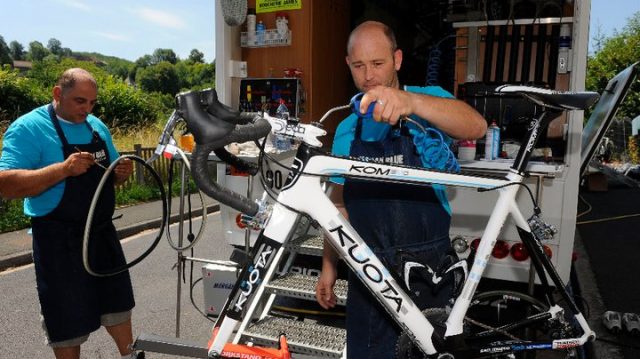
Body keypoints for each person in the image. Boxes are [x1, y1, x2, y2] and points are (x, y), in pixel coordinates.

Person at [314, 21, 487, 358]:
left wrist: (410, 102)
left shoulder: (426, 101)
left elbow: (476, 126)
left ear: (397, 59)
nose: (368, 76)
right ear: (348, 64)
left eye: (377, 64)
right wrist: (329, 268)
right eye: (359, 66)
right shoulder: (348, 128)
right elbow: (338, 206)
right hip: (368, 274)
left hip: (427, 273)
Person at [0, 68, 141, 359]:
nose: (86, 109)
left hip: (101, 235)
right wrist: (63, 169)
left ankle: (131, 356)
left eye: (92, 103)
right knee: (65, 318)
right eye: (79, 101)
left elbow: (110, 175)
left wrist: (120, 174)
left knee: (117, 306)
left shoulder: (96, 127)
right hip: (57, 242)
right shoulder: (29, 128)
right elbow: (6, 184)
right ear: (57, 93)